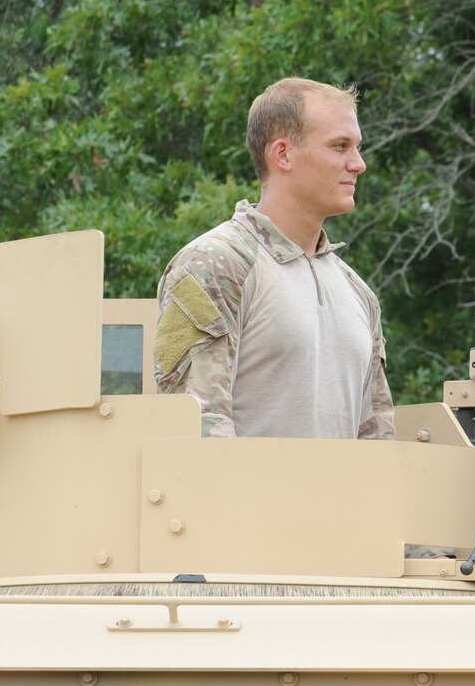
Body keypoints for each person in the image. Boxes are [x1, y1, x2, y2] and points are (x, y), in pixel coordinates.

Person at [153, 77, 396, 440]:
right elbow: (195, 425)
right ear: (282, 154)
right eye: (340, 146)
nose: (358, 164)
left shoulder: (358, 292)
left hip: (343, 498)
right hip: (243, 497)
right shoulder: (215, 265)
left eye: (357, 147)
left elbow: (377, 438)